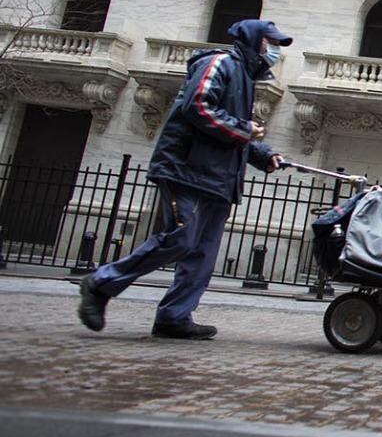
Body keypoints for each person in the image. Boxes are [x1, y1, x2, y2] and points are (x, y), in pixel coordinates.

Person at [77, 19, 292, 339]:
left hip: (219, 179)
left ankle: (174, 317)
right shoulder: (219, 63)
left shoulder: (246, 78)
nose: (274, 50)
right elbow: (199, 107)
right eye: (270, 42)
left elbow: (228, 131)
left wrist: (262, 154)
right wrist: (245, 129)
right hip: (187, 171)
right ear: (253, 39)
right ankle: (100, 283)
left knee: (202, 254)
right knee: (181, 238)